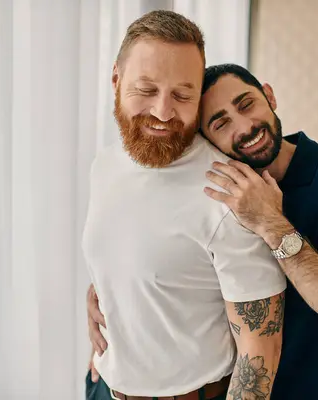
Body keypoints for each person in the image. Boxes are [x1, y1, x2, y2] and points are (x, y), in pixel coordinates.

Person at [88, 62, 318, 400]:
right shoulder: (215, 198)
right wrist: (106, 294)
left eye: (246, 104)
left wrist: (271, 223)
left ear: (269, 95)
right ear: (206, 142)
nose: (245, 127)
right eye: (220, 123)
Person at [82, 11, 287, 400]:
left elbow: (260, 353)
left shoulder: (229, 192)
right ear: (116, 81)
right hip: (102, 387)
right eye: (146, 89)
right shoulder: (105, 164)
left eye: (182, 94)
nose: (163, 112)